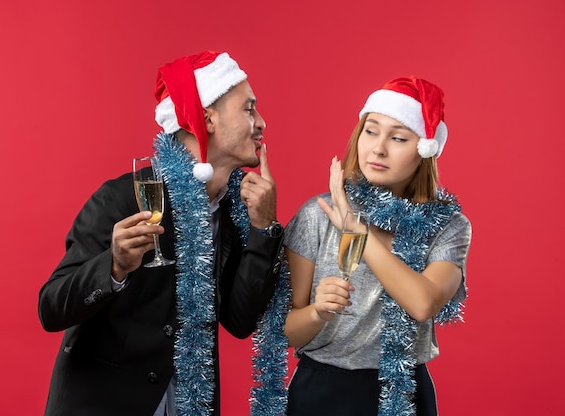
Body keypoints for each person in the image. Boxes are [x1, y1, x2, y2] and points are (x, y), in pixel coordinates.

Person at [38, 51, 290, 416]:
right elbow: (50, 307)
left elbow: (239, 321)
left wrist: (263, 228)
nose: (261, 122)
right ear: (208, 118)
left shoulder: (237, 209)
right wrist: (115, 266)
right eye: (248, 109)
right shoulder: (123, 197)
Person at [283, 76, 472, 416]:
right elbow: (289, 331)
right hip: (320, 393)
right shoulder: (317, 215)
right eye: (371, 131)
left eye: (398, 137)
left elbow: (423, 303)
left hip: (403, 393)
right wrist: (317, 312)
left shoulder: (448, 226)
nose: (378, 148)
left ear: (424, 151)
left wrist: (358, 233)